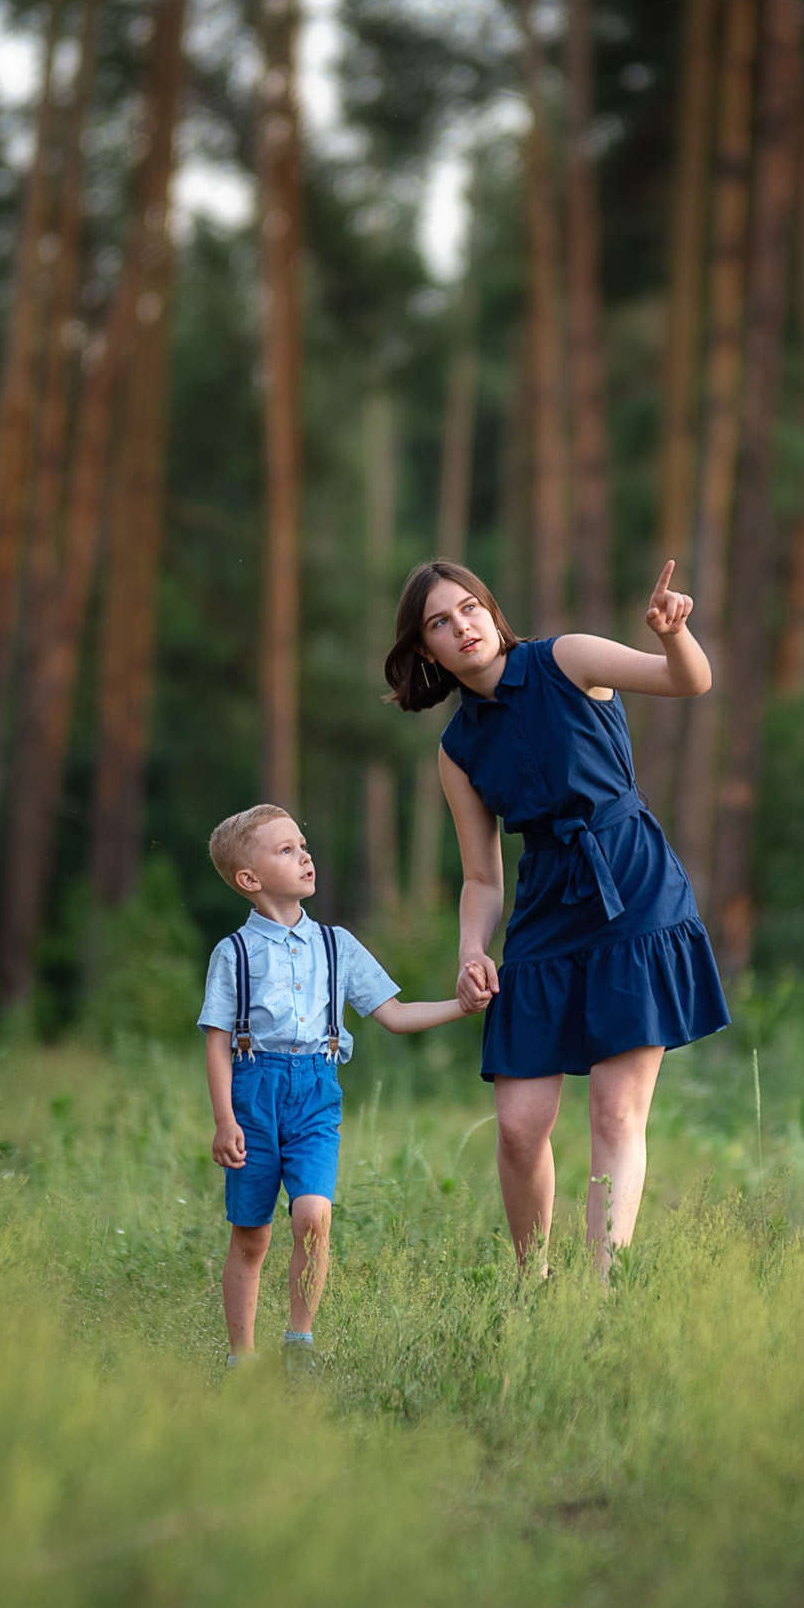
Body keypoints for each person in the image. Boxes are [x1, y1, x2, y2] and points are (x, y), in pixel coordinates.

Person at [383, 558, 730, 1278]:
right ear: (427, 652)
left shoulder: (566, 659)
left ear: (490, 609)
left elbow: (688, 680)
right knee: (517, 1126)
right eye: (439, 623)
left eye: (469, 607)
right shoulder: (457, 750)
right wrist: (471, 949)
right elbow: (481, 876)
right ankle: (533, 1289)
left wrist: (674, 635)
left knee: (614, 1111)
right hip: (545, 906)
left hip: (631, 886)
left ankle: (605, 1295)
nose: (461, 626)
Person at [199, 804, 475, 1369]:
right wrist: (225, 1119)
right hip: (254, 1093)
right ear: (248, 880)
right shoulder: (233, 954)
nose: (304, 855)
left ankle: (299, 1342)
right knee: (251, 1235)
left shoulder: (336, 945)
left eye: (303, 844)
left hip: (316, 1092)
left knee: (314, 1217)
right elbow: (217, 1042)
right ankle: (241, 1358)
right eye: (285, 850)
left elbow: (393, 1014)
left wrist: (462, 1006)